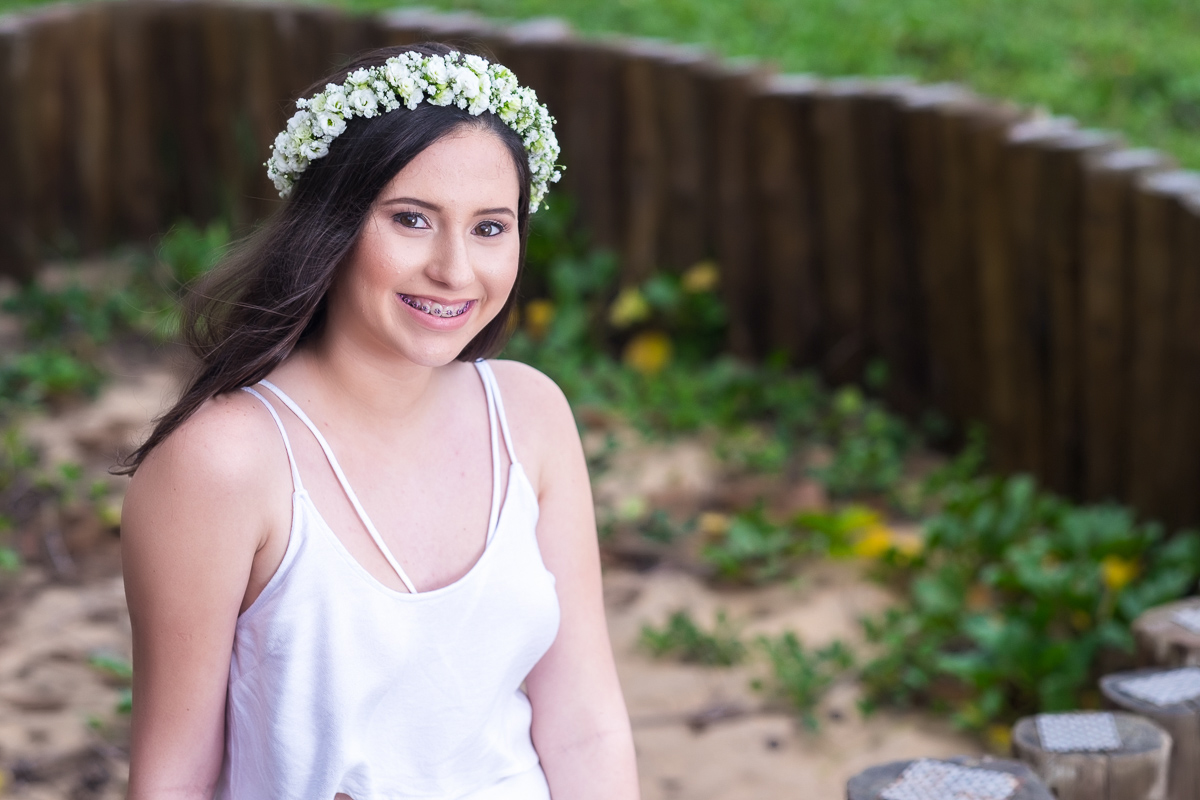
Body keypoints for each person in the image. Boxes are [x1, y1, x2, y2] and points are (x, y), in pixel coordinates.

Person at [119, 43, 639, 799]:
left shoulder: (530, 416)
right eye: (411, 220)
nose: (455, 270)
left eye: (490, 227)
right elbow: (173, 778)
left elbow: (585, 722)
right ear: (330, 224)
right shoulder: (225, 463)